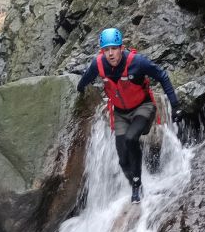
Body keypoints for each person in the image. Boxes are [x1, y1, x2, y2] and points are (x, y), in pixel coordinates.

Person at [77, 27, 182, 204]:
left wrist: (176, 106)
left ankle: (136, 184)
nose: (110, 54)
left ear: (121, 48)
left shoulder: (137, 62)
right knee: (123, 159)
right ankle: (136, 183)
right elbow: (86, 78)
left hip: (144, 107)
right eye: (106, 50)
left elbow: (162, 76)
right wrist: (78, 90)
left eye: (114, 49)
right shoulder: (99, 64)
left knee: (131, 138)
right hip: (120, 113)